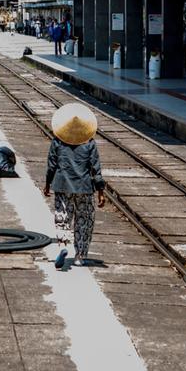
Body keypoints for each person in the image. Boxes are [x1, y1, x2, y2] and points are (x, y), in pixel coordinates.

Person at [43, 103, 106, 268]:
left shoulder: (57, 142)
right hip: (84, 188)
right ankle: (79, 256)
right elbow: (95, 168)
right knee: (83, 221)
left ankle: (63, 247)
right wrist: (100, 191)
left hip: (62, 186)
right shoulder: (90, 143)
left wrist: (47, 184)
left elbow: (51, 165)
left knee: (63, 218)